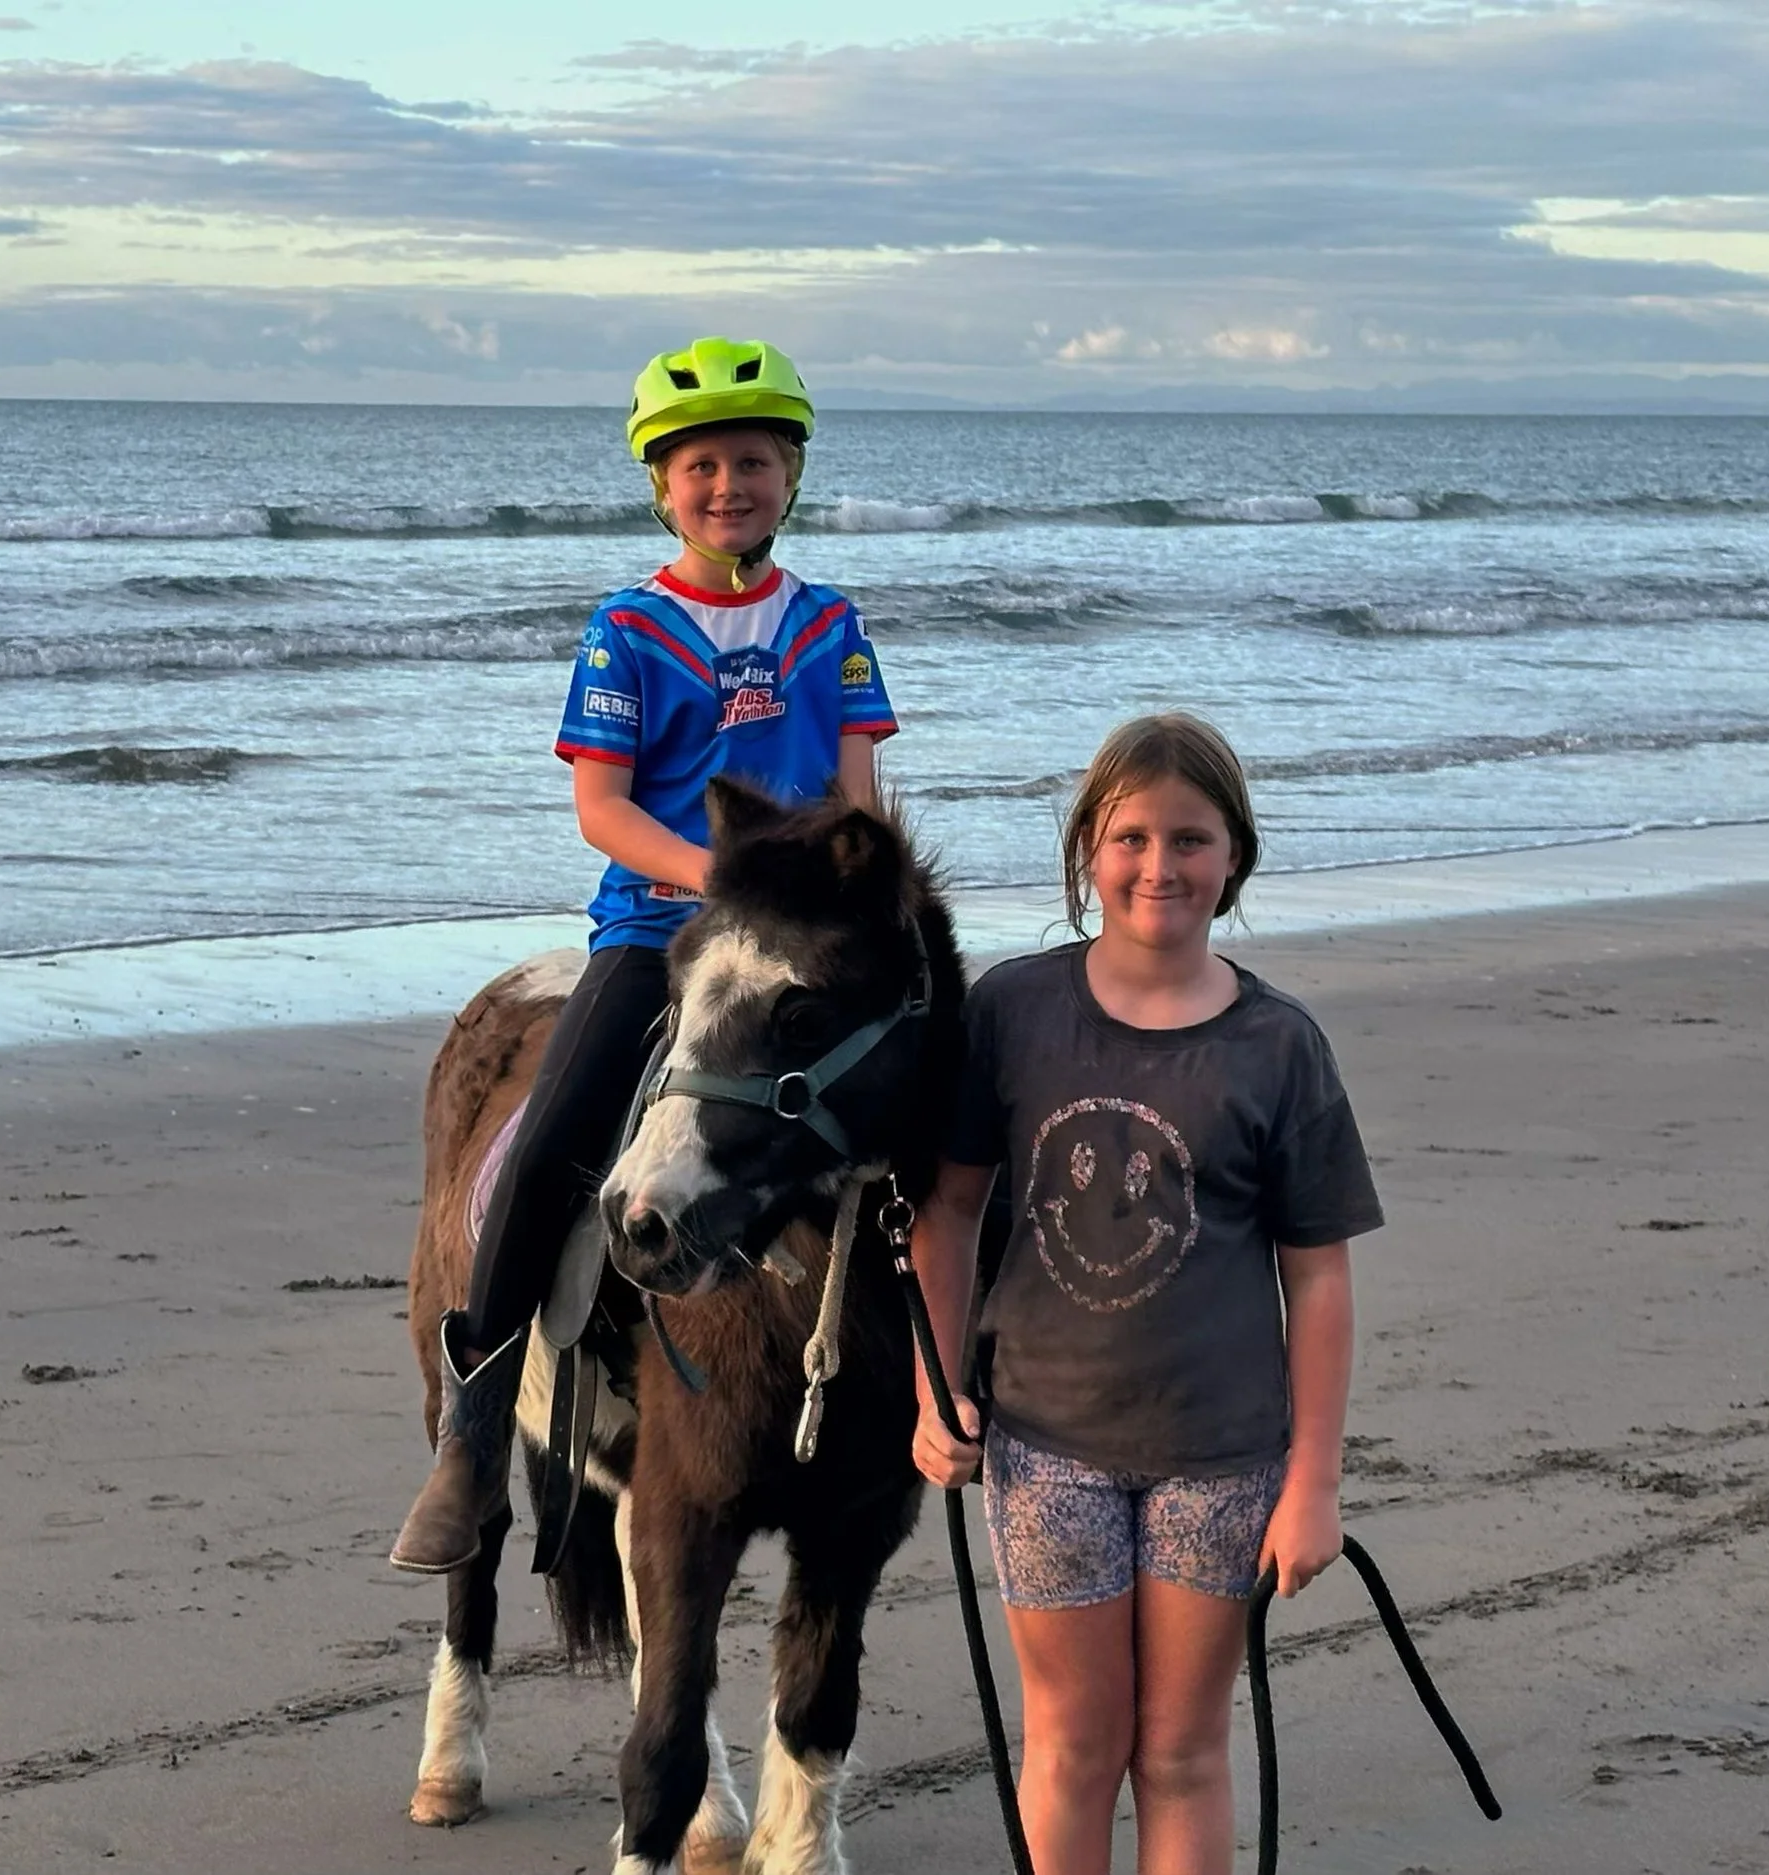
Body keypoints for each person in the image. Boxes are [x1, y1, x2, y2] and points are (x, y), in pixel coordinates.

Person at [393, 336, 899, 1573]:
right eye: (702, 466)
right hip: (657, 934)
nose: (729, 485)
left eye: (754, 462)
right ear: (663, 487)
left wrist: (855, 906)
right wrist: (724, 882)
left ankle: (967, 1372)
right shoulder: (625, 630)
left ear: (790, 477)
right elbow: (603, 811)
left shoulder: (831, 627)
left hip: (802, 942)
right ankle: (472, 1430)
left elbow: (856, 796)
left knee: (938, 1102)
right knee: (552, 1137)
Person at [908, 713, 1382, 1875]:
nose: (1157, 866)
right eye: (1129, 838)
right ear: (1087, 849)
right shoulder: (1012, 1012)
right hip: (1043, 1445)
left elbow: (1317, 1275)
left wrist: (1314, 1482)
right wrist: (933, 1388)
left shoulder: (1278, 1046)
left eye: (1189, 838)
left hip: (1221, 1459)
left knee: (1179, 1751)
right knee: (1073, 1744)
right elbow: (947, 1212)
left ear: (1235, 857)